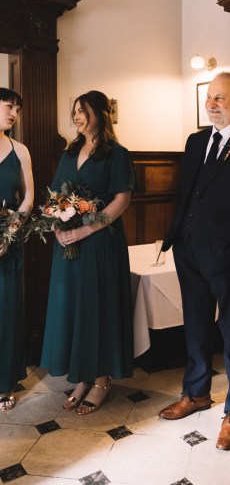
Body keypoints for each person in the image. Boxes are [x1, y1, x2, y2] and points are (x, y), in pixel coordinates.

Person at [158, 72, 230, 450]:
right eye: (209, 98)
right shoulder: (195, 142)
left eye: (220, 98)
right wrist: (177, 239)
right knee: (194, 327)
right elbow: (187, 195)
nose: (211, 104)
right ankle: (195, 394)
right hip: (189, 254)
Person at [41, 90, 135, 414]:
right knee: (74, 310)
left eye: (83, 111)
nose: (77, 117)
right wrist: (57, 225)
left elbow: (121, 201)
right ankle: (81, 377)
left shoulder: (117, 153)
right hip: (68, 246)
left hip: (100, 243)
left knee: (99, 308)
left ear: (100, 114)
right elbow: (55, 197)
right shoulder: (69, 154)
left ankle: (101, 379)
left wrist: (84, 228)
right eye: (75, 112)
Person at [0, 88, 34, 412]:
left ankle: (5, 382)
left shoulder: (19, 150)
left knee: (6, 313)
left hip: (7, 245)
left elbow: (27, 199)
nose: (14, 114)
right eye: (10, 106)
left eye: (18, 110)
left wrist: (9, 232)